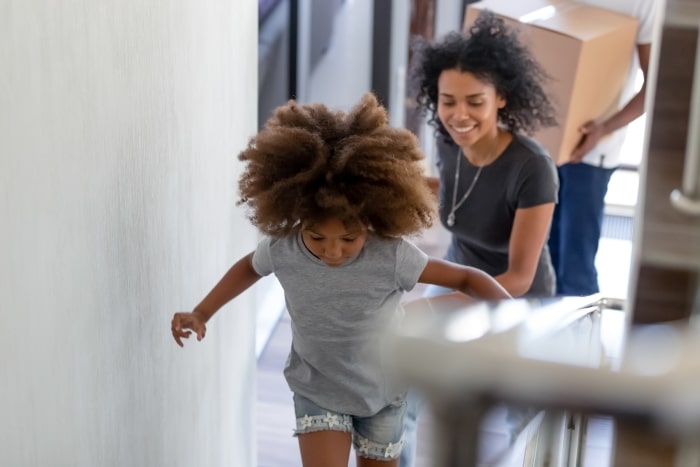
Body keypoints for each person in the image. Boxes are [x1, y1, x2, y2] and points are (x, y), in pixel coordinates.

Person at [170, 93, 511, 467]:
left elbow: (466, 277)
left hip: (384, 393)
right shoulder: (284, 249)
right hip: (318, 388)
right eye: (317, 237)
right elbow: (249, 268)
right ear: (297, 216)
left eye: (349, 239)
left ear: (370, 218)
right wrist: (202, 311)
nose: (333, 251)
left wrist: (513, 317)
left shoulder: (391, 254)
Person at [399, 10, 560, 466]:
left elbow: (522, 277)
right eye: (448, 101)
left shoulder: (532, 168)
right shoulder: (451, 142)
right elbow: (452, 198)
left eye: (474, 101)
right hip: (458, 275)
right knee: (398, 398)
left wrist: (428, 306)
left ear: (501, 99)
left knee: (523, 422)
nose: (459, 115)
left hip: (515, 300)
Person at [548, 0, 663, 296]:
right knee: (538, 261)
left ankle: (582, 340)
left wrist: (605, 128)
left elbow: (654, 84)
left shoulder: (644, 3)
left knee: (575, 266)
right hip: (540, 143)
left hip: (595, 153)